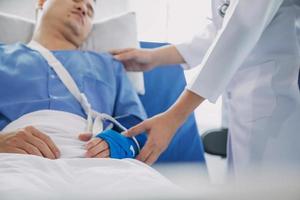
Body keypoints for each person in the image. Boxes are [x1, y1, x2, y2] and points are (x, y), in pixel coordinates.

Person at [112, 0, 300, 176]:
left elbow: (241, 27)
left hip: (274, 103)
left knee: (270, 187)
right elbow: (221, 30)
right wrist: (155, 57)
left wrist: (174, 117)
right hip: (245, 106)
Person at [0, 0, 147, 159]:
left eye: (90, 11)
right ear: (42, 2)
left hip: (93, 157)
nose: (83, 8)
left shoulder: (110, 65)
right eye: (76, 0)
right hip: (13, 157)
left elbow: (138, 125)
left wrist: (119, 144)